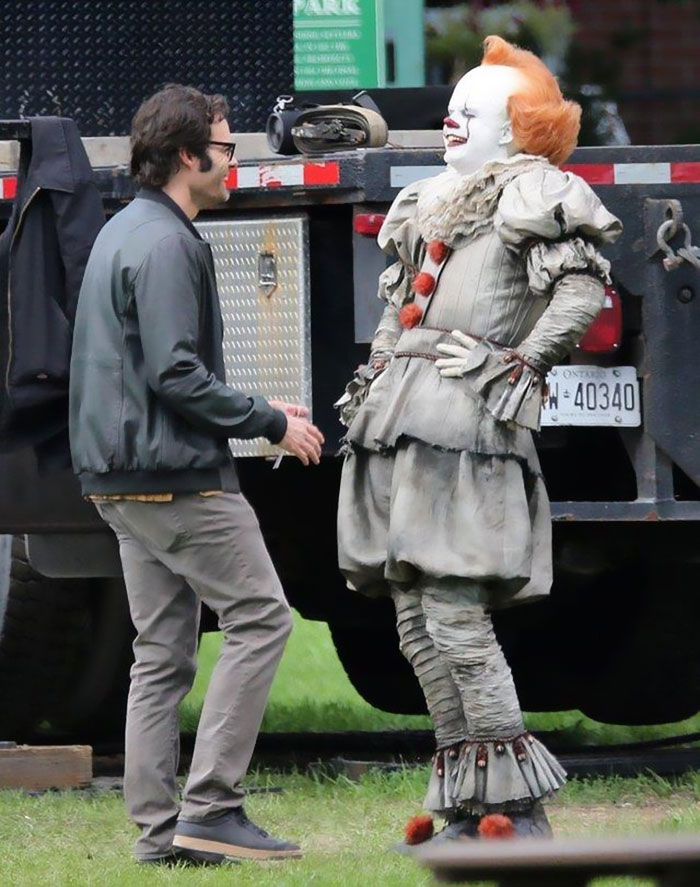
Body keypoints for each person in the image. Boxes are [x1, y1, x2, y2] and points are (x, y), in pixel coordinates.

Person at [337, 36, 622, 841]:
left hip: (467, 423)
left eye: (475, 109)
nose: (453, 117)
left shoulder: (534, 190)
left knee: (456, 612)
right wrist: (377, 373)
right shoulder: (429, 198)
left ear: (516, 128)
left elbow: (581, 288)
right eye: (453, 105)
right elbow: (399, 304)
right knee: (414, 619)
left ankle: (516, 809)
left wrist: (518, 362)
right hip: (402, 418)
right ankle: (468, 800)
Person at [69, 84, 323, 866]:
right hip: (175, 476)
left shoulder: (123, 229)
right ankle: (212, 807)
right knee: (263, 617)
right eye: (226, 148)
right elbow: (175, 372)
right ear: (188, 156)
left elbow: (151, 369)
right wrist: (269, 420)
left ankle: (158, 833)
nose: (234, 162)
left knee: (162, 651)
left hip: (121, 477)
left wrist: (257, 406)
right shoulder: (169, 243)